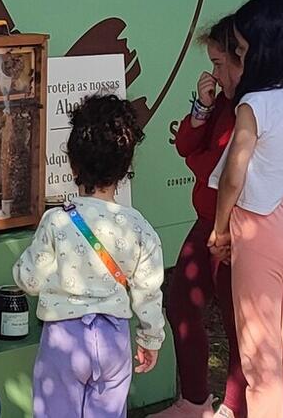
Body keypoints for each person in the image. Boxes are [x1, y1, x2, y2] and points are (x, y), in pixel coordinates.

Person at [204, 0, 283, 418]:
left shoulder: (254, 105)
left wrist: (220, 230)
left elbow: (234, 175)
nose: (237, 58)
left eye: (239, 49)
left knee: (260, 357)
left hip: (261, 228)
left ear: (262, 50)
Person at [14, 94, 168, 418]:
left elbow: (29, 280)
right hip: (114, 340)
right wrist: (150, 338)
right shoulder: (138, 227)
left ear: (72, 164)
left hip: (63, 341)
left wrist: (22, 271)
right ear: (126, 167)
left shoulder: (57, 221)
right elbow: (148, 291)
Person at [157, 33, 246, 418]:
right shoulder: (224, 102)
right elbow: (186, 147)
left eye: (220, 64)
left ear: (242, 60)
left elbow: (215, 168)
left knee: (237, 319)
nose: (214, 73)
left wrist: (199, 163)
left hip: (239, 223)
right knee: (181, 304)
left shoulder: (252, 105)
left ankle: (236, 406)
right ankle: (195, 401)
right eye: (212, 64)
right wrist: (201, 109)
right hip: (209, 218)